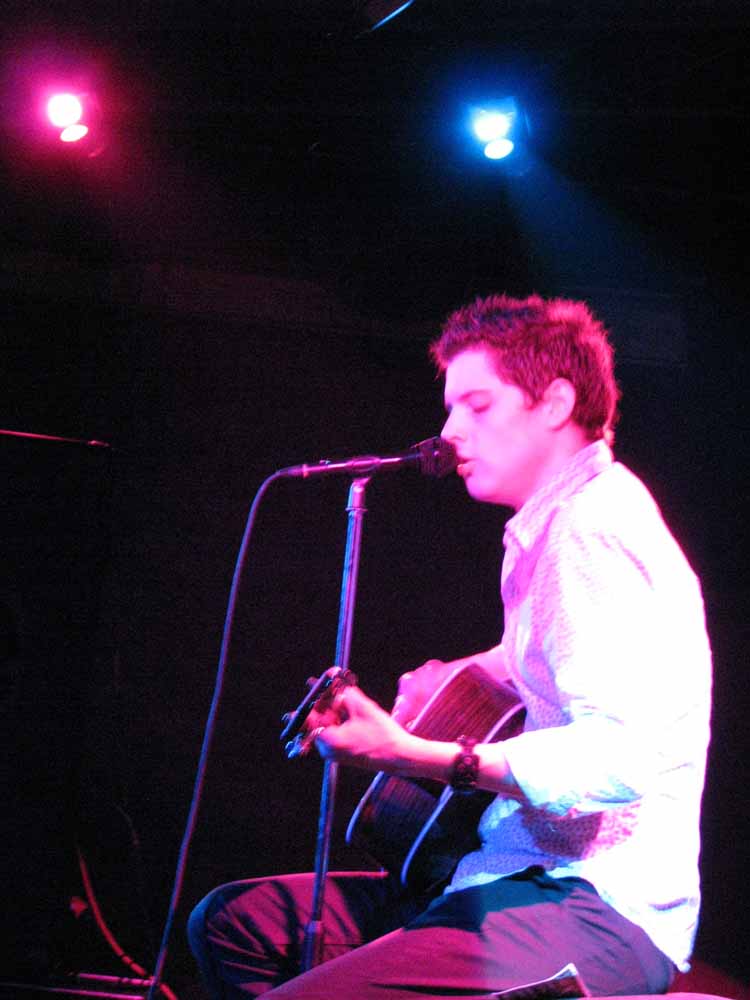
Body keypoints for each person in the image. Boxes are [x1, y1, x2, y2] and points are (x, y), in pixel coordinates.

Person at [188, 293, 712, 999]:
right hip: (504, 877)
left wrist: (412, 753)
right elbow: (542, 654)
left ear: (556, 404)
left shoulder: (590, 530)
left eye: (478, 405)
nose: (449, 431)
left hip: (592, 907)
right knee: (236, 924)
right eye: (450, 408)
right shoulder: (553, 525)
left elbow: (620, 757)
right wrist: (449, 679)